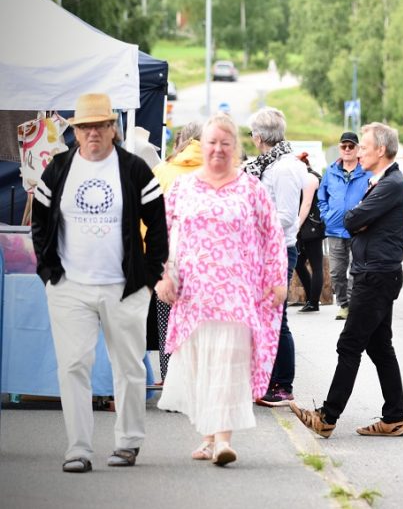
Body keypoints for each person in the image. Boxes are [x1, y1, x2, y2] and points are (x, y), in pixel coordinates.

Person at [31, 92, 168, 473]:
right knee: (72, 364)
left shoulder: (134, 169)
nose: (93, 133)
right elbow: (39, 223)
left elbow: (158, 223)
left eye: (100, 125)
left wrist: (151, 276)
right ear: (75, 132)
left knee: (128, 366)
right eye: (85, 127)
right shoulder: (58, 170)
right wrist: (48, 273)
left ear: (113, 129)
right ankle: (78, 448)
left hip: (124, 286)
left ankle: (127, 443)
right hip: (69, 286)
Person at [156, 114, 287, 467]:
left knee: (228, 363)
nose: (218, 149)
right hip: (193, 296)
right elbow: (163, 237)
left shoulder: (251, 188)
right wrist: (163, 276)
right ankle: (208, 436)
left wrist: (278, 279)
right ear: (202, 145)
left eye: (225, 144)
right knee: (202, 365)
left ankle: (224, 440)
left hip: (236, 295)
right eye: (212, 142)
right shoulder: (182, 187)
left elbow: (272, 235)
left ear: (236, 149)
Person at [289, 122, 403, 438]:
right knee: (380, 347)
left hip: (376, 276)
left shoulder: (391, 184)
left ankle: (327, 417)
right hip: (375, 272)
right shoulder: (380, 181)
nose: (360, 151)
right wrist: (359, 221)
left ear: (380, 150)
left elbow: (352, 218)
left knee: (350, 344)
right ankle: (394, 417)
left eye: (365, 147)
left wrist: (359, 220)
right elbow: (354, 219)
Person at [245, 107, 305, 407]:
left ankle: (283, 384)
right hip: (263, 249)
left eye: (252, 133)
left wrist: (251, 221)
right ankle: (268, 379)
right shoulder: (268, 164)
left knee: (277, 318)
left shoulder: (283, 168)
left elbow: (284, 216)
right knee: (265, 317)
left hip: (279, 249)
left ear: (259, 137)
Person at [150, 121, 204, 382]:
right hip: (207, 263)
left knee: (167, 322)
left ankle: (171, 380)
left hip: (167, 259)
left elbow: (145, 219)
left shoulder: (162, 171)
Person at [319, 131, 371, 320]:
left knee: (356, 269)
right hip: (334, 229)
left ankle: (351, 304)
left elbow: (373, 197)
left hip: (358, 230)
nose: (347, 149)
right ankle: (342, 303)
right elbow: (321, 198)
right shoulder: (330, 172)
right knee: (336, 272)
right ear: (339, 149)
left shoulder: (367, 172)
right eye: (344, 146)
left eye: (351, 146)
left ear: (358, 149)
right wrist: (326, 215)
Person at [294, 152, 325, 313]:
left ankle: (313, 302)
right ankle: (310, 298)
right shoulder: (305, 177)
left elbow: (306, 205)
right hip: (306, 227)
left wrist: (296, 228)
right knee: (299, 263)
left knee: (316, 265)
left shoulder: (310, 178)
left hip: (311, 227)